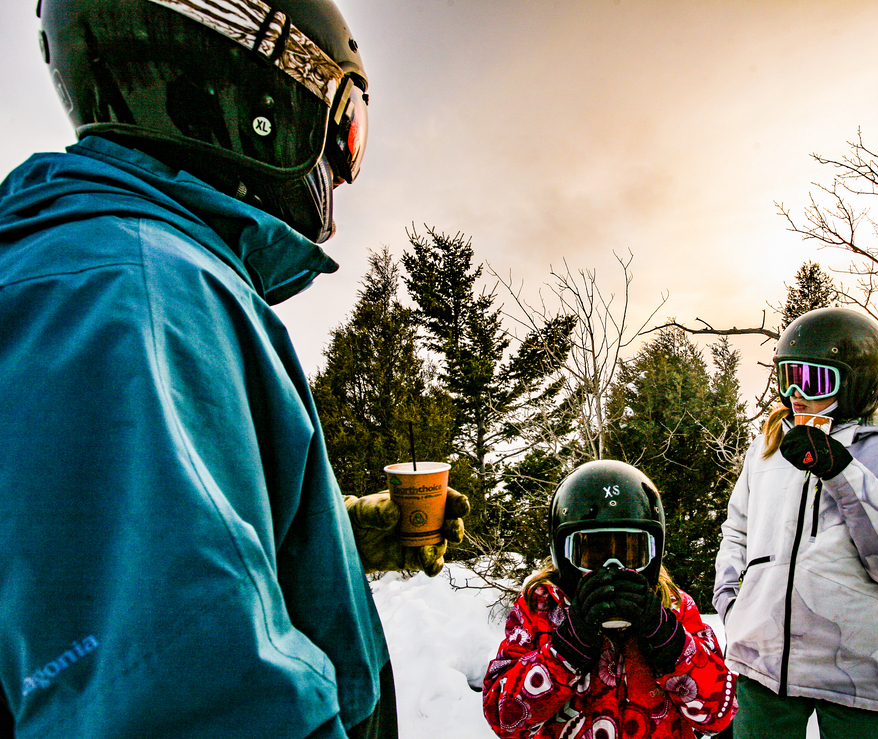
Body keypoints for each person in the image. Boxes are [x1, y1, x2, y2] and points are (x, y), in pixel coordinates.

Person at [0, 1, 468, 736]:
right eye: (346, 127)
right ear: (261, 82)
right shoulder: (139, 293)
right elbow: (182, 691)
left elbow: (125, 570)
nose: (341, 171)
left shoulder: (88, 269)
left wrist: (330, 541)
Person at [713, 307, 878, 739]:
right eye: (787, 376)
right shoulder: (768, 448)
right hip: (763, 662)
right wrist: (733, 606)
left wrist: (843, 473)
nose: (795, 393)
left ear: (856, 384)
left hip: (856, 670)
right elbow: (736, 531)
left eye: (813, 380)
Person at [483, 460, 737, 739]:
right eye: (591, 554)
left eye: (630, 553)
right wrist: (565, 650)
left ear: (654, 552)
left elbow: (719, 715)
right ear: (561, 552)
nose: (612, 570)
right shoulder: (540, 610)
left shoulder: (675, 607)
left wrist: (669, 642)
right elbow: (503, 718)